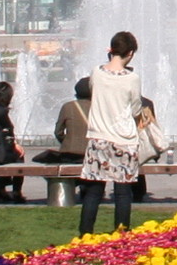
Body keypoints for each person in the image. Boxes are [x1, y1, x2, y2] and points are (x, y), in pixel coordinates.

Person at [79, 31, 149, 234]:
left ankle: (85, 233)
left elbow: (93, 92)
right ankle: (121, 234)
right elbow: (136, 108)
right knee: (122, 192)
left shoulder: (97, 72)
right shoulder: (132, 78)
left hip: (98, 136)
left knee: (93, 191)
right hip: (123, 139)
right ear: (130, 53)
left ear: (110, 50)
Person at [39, 77, 91, 164]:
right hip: (90, 153)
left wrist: (68, 142)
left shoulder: (67, 106)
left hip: (69, 154)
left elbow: (58, 132)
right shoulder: (99, 107)